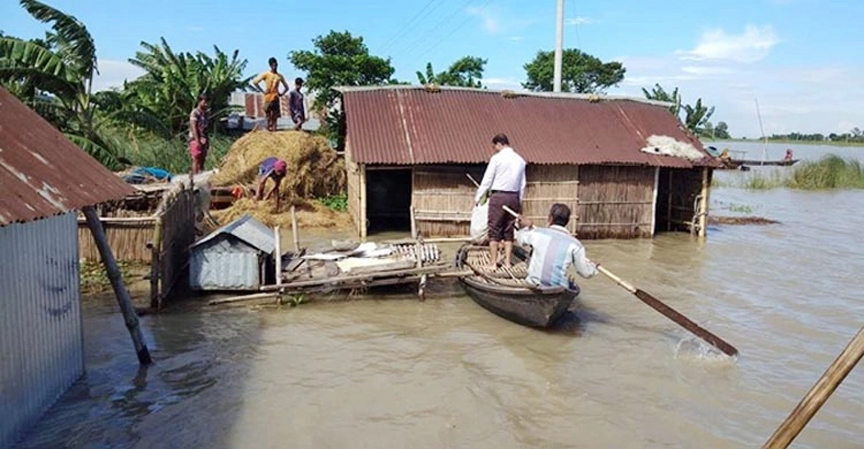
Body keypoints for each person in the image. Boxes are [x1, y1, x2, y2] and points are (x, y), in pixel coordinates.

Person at [474, 133, 526, 270]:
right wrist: (518, 201)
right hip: (513, 197)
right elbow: (522, 184)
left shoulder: (496, 159)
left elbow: (487, 180)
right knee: (509, 230)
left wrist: (478, 197)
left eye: (495, 147)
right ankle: (508, 263)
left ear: (499, 144)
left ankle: (492, 263)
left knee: (494, 230)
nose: (495, 149)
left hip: (499, 196)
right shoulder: (520, 160)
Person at [515, 203, 597, 288]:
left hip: (534, 283)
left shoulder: (537, 233)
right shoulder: (575, 245)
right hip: (558, 287)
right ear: (567, 221)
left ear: (550, 218)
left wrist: (526, 227)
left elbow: (520, 239)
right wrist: (593, 267)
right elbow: (585, 273)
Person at [252, 57, 290, 132]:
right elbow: (255, 82)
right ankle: (268, 129)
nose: (275, 67)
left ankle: (274, 130)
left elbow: (286, 87)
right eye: (273, 65)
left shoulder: (279, 76)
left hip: (275, 97)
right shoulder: (266, 74)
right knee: (268, 115)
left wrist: (281, 94)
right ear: (270, 66)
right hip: (268, 97)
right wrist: (262, 91)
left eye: (276, 65)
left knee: (275, 116)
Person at [188, 92, 209, 180]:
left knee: (202, 160)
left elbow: (205, 128)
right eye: (204, 102)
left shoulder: (205, 114)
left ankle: (200, 177)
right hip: (195, 139)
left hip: (203, 139)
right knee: (196, 159)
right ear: (199, 102)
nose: (206, 104)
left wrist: (207, 140)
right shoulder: (195, 113)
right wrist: (198, 140)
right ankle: (194, 179)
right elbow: (194, 127)